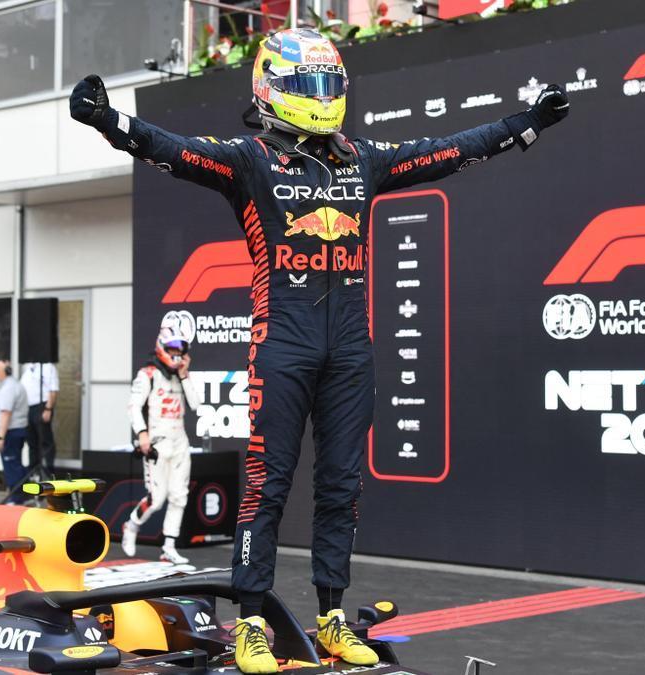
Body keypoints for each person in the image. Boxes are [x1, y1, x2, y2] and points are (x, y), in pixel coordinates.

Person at [71, 27, 569, 673]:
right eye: (307, 84)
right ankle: (250, 622)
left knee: (341, 486)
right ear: (271, 88)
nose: (320, 95)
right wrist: (110, 120)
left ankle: (332, 617)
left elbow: (448, 149)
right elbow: (177, 151)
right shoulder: (248, 159)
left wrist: (526, 123)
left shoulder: (363, 158)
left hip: (351, 350)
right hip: (282, 344)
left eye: (328, 84)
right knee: (266, 485)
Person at [124, 315, 200, 565]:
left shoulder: (182, 375)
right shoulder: (147, 373)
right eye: (173, 348)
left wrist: (186, 375)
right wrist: (142, 435)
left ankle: (169, 546)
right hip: (156, 443)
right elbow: (134, 406)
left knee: (179, 495)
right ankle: (132, 525)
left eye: (181, 349)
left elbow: (196, 404)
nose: (177, 354)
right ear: (163, 345)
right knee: (156, 499)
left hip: (180, 442)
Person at [0, 359, 29, 502]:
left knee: (12, 466)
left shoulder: (8, 388)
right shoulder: (10, 385)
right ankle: (20, 496)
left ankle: (17, 499)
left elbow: (6, 413)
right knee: (15, 464)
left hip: (11, 431)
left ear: (5, 371)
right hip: (15, 430)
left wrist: (1, 437)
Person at [20, 362, 59, 475]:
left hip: (42, 406)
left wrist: (48, 408)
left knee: (45, 440)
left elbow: (53, 389)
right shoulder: (27, 367)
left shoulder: (48, 367)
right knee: (32, 441)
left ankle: (48, 471)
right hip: (28, 407)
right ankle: (34, 471)